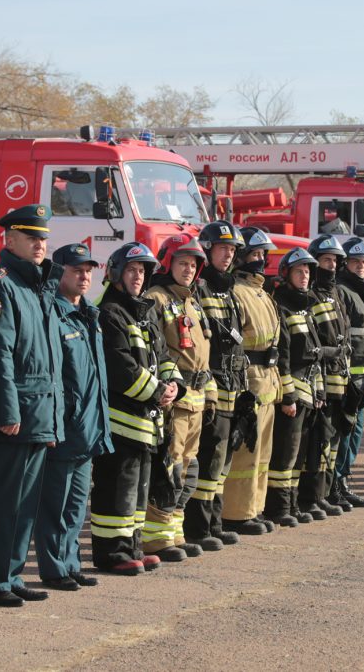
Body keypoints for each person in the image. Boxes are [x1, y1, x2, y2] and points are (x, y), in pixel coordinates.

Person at [0, 204, 65, 606]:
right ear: (9, 240)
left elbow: (50, 360)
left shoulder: (38, 285)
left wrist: (55, 416)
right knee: (4, 502)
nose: (40, 245)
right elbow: (0, 355)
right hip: (19, 413)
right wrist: (8, 412)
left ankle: (11, 575)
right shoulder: (0, 284)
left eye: (43, 238)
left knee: (26, 503)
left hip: (40, 409)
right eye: (32, 237)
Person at [92, 242, 181, 575]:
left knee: (137, 490)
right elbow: (120, 367)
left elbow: (165, 356)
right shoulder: (110, 312)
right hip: (121, 421)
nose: (137, 277)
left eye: (142, 271)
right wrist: (157, 392)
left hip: (146, 421)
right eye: (131, 270)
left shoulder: (145, 311)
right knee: (116, 490)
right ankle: (110, 553)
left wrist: (173, 385)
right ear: (116, 274)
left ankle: (133, 546)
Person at [34, 244, 113, 591]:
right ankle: (53, 569)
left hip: (88, 426)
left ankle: (71, 563)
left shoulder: (89, 313)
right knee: (55, 504)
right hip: (66, 426)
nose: (84, 277)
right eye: (76, 270)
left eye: (88, 271)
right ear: (60, 272)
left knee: (76, 504)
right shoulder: (53, 313)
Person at [143, 234, 213, 561]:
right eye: (182, 262)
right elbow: (153, 351)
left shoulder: (191, 301)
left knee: (188, 469)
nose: (188, 269)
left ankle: (176, 532)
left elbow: (203, 353)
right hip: (174, 398)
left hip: (196, 399)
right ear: (168, 262)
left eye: (193, 264)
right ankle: (157, 539)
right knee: (169, 468)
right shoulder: (155, 298)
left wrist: (209, 395)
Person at [185, 221, 246, 550]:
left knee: (223, 459)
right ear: (207, 250)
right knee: (208, 456)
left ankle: (215, 522)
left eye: (233, 249)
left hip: (233, 385)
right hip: (211, 385)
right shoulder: (201, 288)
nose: (228, 254)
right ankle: (198, 527)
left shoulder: (228, 290)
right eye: (223, 248)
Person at [221, 227, 283, 535]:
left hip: (268, 381)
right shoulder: (236, 291)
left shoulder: (263, 292)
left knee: (262, 455)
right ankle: (236, 513)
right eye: (255, 254)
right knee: (246, 452)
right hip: (250, 380)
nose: (260, 260)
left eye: (263, 255)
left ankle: (255, 508)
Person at [267, 248, 326, 523]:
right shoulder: (283, 306)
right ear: (286, 274)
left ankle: (292, 506)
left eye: (307, 272)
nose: (304, 277)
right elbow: (285, 356)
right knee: (285, 454)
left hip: (308, 390)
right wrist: (288, 396)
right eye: (299, 271)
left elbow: (314, 351)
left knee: (299, 454)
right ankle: (279, 509)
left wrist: (320, 389)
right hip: (293, 393)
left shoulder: (305, 307)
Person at [306, 235, 351, 515]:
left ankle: (325, 493)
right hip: (320, 380)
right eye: (326, 260)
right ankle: (311, 496)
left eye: (335, 260)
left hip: (340, 380)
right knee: (317, 441)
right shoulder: (310, 294)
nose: (331, 265)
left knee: (332, 441)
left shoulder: (336, 294)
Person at [333, 237, 364, 505]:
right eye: (355, 261)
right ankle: (336, 484)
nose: (361, 266)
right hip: (349, 378)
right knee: (345, 432)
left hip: (363, 380)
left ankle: (344, 481)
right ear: (344, 264)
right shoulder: (343, 291)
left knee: (355, 433)